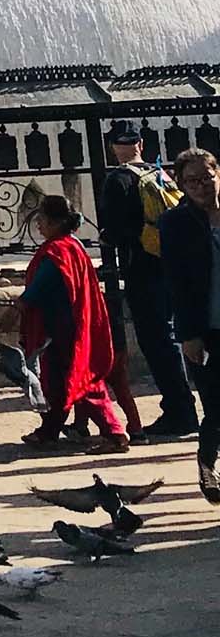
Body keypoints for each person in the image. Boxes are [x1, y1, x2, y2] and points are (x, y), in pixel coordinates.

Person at [96, 129, 198, 440]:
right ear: (140, 145)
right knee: (181, 337)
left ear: (114, 149)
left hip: (142, 269)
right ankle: (189, 406)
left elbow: (116, 230)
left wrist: (108, 238)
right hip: (173, 265)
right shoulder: (160, 174)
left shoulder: (118, 180)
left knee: (157, 340)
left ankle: (180, 410)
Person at [15, 194, 129, 452]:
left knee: (82, 379)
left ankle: (114, 433)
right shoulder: (71, 246)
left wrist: (21, 305)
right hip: (67, 324)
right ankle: (49, 430)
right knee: (57, 381)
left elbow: (40, 286)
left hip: (63, 327)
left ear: (55, 223)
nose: (39, 225)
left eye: (42, 219)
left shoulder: (57, 250)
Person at [161, 147, 220, 503]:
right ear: (182, 185)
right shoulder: (176, 223)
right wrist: (187, 335)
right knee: (215, 404)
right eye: (192, 181)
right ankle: (207, 465)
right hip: (205, 326)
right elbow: (177, 283)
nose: (201, 186)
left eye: (206, 177)